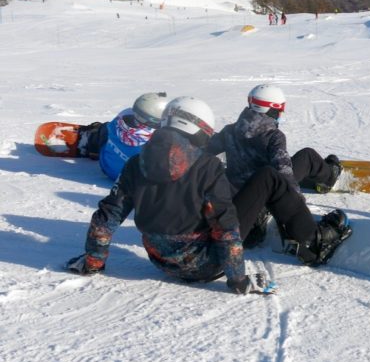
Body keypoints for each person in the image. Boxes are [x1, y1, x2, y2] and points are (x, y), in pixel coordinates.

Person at [65, 96, 352, 294]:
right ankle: (313, 243)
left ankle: (262, 224)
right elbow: (226, 228)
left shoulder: (136, 164)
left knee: (248, 185)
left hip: (161, 263)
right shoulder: (207, 167)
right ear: (197, 130)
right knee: (269, 178)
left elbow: (106, 218)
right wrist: (238, 279)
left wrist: (93, 262)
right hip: (208, 265)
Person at [206, 84, 343, 245]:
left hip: (241, 197)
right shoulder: (273, 136)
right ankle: (330, 176)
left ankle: (257, 218)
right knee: (307, 155)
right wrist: (296, 204)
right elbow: (283, 170)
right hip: (268, 192)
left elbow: (206, 148)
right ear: (273, 109)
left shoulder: (230, 130)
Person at [75, 92, 169, 181]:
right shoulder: (157, 143)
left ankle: (91, 140)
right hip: (126, 181)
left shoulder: (118, 121)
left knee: (105, 128)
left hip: (106, 166)